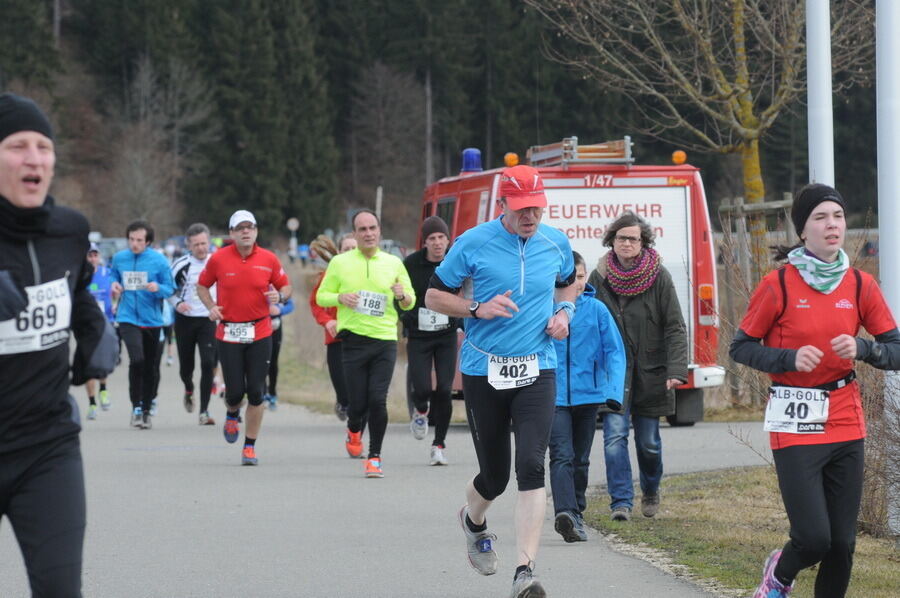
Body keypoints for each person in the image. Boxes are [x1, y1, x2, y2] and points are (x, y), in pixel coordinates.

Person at [730, 184, 900, 598]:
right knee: (813, 538)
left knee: (842, 544)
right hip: (795, 419)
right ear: (803, 231)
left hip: (845, 418)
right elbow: (742, 347)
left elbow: (895, 350)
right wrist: (787, 359)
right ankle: (779, 576)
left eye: (838, 217)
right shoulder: (779, 285)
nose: (832, 225)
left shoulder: (860, 284)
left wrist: (864, 348)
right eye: (821, 218)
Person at [425, 164, 578, 597]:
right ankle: (472, 519)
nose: (530, 216)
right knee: (495, 478)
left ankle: (524, 573)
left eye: (536, 208)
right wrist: (475, 309)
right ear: (502, 205)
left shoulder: (556, 243)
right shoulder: (472, 243)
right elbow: (433, 296)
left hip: (537, 368)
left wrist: (565, 313)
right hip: (483, 369)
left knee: (531, 464)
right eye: (521, 208)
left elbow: (569, 286)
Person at [0, 92, 116, 596]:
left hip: (46, 445)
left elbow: (78, 292)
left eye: (44, 146)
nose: (34, 158)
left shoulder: (69, 231)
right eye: (18, 146)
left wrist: (96, 336)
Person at [587, 212, 687, 522]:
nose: (627, 243)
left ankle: (651, 489)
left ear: (643, 242)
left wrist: (676, 370)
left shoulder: (659, 277)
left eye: (633, 238)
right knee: (614, 437)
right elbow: (587, 324)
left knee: (649, 443)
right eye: (621, 238)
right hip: (614, 374)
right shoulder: (598, 278)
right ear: (612, 241)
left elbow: (674, 326)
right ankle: (621, 502)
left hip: (651, 371)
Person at [316, 210, 415, 478]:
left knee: (377, 400)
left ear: (379, 231)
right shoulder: (340, 262)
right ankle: (353, 428)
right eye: (363, 229)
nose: (369, 233)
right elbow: (322, 296)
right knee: (357, 403)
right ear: (355, 234)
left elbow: (411, 300)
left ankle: (374, 457)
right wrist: (341, 297)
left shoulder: (394, 263)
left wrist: (402, 295)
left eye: (373, 228)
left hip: (384, 339)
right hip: (353, 341)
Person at [197, 210, 292, 465]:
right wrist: (211, 307)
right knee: (235, 393)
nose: (246, 231)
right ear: (231, 233)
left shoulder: (269, 259)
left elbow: (285, 285)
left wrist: (280, 297)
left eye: (250, 227)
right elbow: (202, 285)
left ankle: (249, 447)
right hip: (228, 332)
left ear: (256, 231)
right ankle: (231, 411)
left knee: (257, 391)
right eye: (240, 228)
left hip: (260, 331)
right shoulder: (218, 259)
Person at [549, 251, 625, 542]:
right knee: (561, 455)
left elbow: (615, 353)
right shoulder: (544, 307)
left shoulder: (597, 311)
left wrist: (613, 393)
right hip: (552, 396)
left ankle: (576, 511)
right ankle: (565, 512)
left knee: (580, 459)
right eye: (569, 277)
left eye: (580, 276)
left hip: (588, 396)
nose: (576, 283)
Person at [401, 215, 460, 465]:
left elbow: (465, 291)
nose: (437, 243)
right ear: (424, 242)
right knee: (423, 388)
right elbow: (401, 297)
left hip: (446, 335)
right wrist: (410, 316)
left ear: (448, 240)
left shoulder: (455, 262)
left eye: (441, 238)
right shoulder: (411, 264)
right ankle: (421, 410)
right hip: (419, 335)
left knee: (445, 390)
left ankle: (439, 445)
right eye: (432, 238)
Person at [110, 220, 175, 430]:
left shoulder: (159, 261)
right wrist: (115, 285)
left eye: (139, 240)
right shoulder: (120, 258)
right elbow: (114, 276)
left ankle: (146, 409)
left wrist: (158, 288)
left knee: (150, 367)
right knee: (137, 360)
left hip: (152, 320)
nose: (134, 244)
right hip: (128, 317)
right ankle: (136, 407)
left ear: (148, 242)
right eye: (131, 239)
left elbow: (170, 288)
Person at [170, 223, 218, 425]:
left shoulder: (217, 262)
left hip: (209, 319)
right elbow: (168, 290)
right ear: (189, 246)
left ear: (209, 242)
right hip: (186, 321)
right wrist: (178, 304)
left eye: (204, 243)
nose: (201, 248)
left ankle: (204, 412)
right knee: (186, 367)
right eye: (196, 244)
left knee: (208, 363)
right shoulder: (180, 265)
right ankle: (189, 388)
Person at [309, 234, 357, 421]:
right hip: (336, 338)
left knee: (360, 392)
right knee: (344, 392)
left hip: (363, 336)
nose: (351, 253)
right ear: (339, 253)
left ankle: (356, 430)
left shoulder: (372, 272)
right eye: (347, 249)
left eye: (355, 249)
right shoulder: (330, 275)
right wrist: (328, 321)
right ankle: (342, 402)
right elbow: (315, 303)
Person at [85, 242, 115, 419]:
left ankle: (103, 389)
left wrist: (117, 303)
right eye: (89, 255)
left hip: (105, 324)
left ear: (99, 257)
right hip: (86, 326)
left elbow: (117, 291)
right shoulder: (80, 276)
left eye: (95, 255)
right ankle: (92, 403)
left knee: (102, 361)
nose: (93, 258)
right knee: (88, 364)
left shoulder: (107, 274)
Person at [263, 293, 295, 410]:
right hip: (259, 327)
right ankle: (263, 392)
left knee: (272, 362)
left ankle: (272, 393)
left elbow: (291, 305)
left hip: (275, 328)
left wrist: (280, 310)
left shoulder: (277, 285)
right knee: (260, 361)